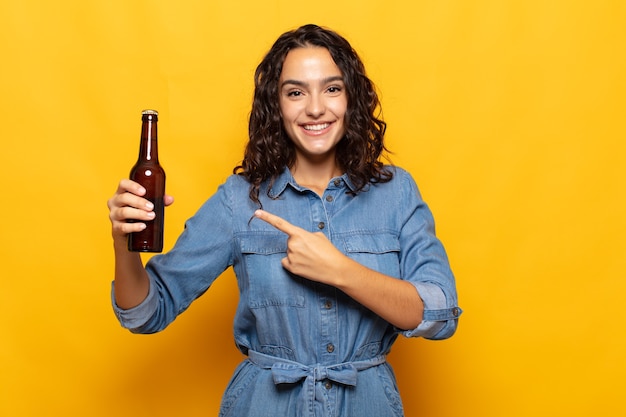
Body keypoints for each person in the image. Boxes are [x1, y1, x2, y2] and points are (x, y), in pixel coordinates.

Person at [108, 23, 461, 417]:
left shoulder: (396, 192)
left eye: (331, 88)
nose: (314, 108)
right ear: (276, 105)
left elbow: (440, 312)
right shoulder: (239, 200)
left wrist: (340, 270)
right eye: (296, 92)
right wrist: (124, 246)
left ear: (352, 97)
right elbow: (146, 311)